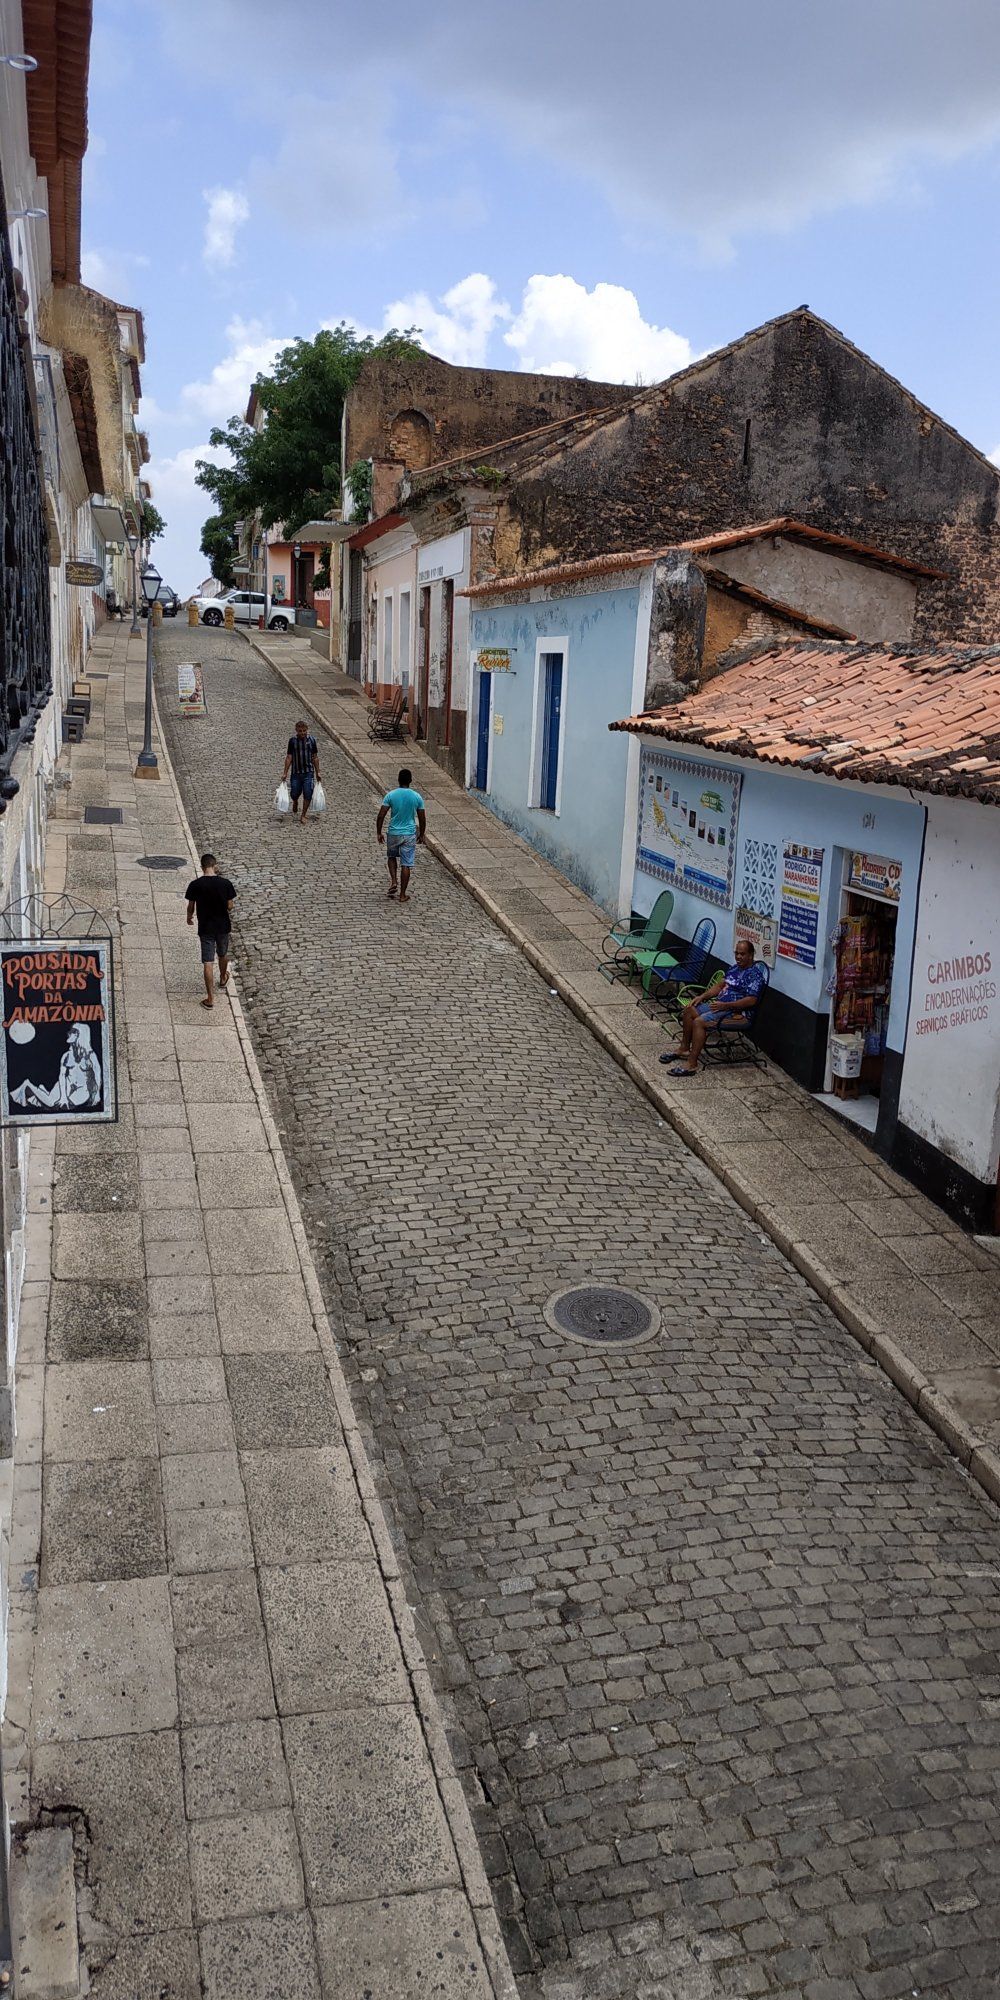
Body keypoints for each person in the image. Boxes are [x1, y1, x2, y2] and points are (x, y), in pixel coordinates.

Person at [659, 937, 765, 1076]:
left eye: (742, 954)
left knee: (699, 1022)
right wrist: (702, 997)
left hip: (738, 1014)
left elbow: (751, 1001)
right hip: (720, 1006)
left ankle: (691, 1064)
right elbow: (720, 985)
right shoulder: (734, 968)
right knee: (689, 1009)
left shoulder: (754, 975)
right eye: (736, 953)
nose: (738, 957)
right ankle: (684, 1049)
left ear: (751, 955)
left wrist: (726, 1005)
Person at [185, 852, 236, 1009]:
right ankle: (222, 977)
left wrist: (189, 917)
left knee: (208, 961)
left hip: (206, 927)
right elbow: (230, 905)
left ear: (202, 867)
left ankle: (210, 999)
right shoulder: (225, 883)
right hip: (222, 926)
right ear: (215, 866)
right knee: (222, 954)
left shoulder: (195, 885)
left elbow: (191, 906)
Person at [10, 1023, 102, 1110]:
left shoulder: (91, 1056)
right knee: (52, 1104)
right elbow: (62, 1076)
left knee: (67, 1106)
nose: (68, 1034)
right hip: (66, 1084)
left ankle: (42, 1090)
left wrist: (97, 1094)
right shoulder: (66, 1056)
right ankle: (28, 1084)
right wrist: (63, 1097)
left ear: (78, 1035)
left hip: (82, 1089)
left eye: (72, 1032)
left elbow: (97, 1075)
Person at [376, 768, 426, 903]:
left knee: (391, 856)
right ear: (410, 781)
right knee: (406, 864)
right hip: (409, 834)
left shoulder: (391, 795)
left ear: (398, 780)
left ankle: (393, 881)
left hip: (393, 832)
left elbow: (381, 816)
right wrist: (421, 834)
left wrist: (379, 832)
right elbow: (422, 818)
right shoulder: (416, 797)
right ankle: (402, 894)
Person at [282, 720, 321, 822]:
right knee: (294, 792)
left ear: (307, 730)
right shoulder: (292, 741)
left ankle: (303, 814)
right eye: (300, 731)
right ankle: (295, 801)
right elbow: (289, 757)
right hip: (296, 773)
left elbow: (315, 757)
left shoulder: (312, 741)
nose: (302, 733)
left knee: (308, 792)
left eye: (304, 731)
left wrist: (318, 772)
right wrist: (285, 772)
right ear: (296, 731)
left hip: (308, 772)